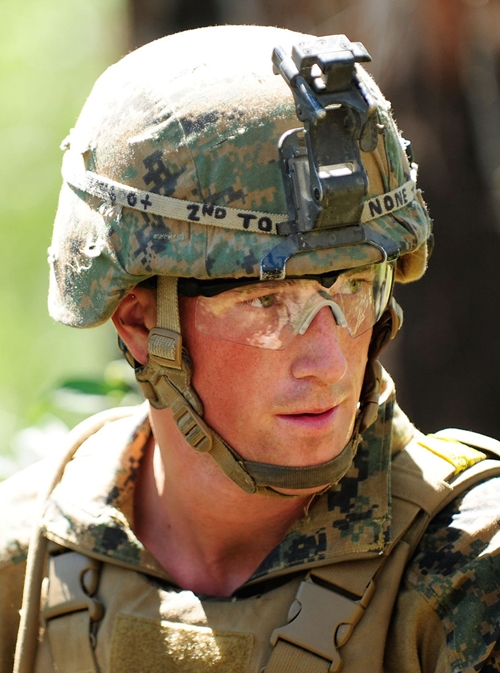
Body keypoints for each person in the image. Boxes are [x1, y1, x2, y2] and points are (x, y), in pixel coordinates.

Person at [1, 24, 499, 673]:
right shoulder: (28, 559)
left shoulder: (468, 570)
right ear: (138, 322)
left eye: (353, 288)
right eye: (267, 304)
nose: (329, 363)